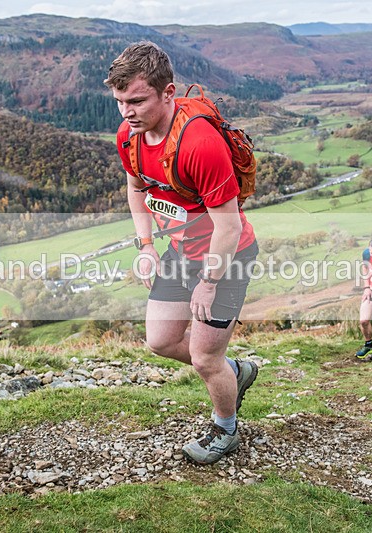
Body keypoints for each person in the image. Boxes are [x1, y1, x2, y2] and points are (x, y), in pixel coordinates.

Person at [105, 41, 259, 465]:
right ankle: (236, 372)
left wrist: (209, 283)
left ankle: (225, 431)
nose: (127, 112)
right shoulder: (130, 137)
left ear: (168, 93)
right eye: (120, 102)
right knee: (160, 340)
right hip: (179, 250)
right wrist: (145, 245)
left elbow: (228, 225)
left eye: (137, 101)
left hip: (226, 255)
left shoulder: (198, 144)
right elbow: (136, 189)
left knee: (205, 358)